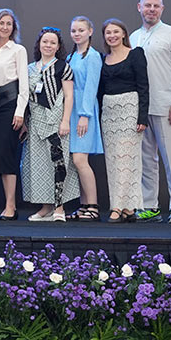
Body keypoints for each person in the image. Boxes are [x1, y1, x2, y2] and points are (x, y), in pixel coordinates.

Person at [131, 0, 171, 224]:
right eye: (148, 5)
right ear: (139, 7)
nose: (151, 9)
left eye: (156, 6)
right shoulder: (133, 37)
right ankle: (150, 206)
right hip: (141, 108)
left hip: (166, 106)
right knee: (146, 160)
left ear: (162, 9)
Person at [21, 27, 78, 222]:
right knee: (39, 166)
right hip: (35, 123)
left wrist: (65, 121)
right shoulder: (29, 68)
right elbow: (25, 97)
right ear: (39, 44)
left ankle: (59, 207)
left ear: (58, 46)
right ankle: (46, 208)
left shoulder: (63, 67)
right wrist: (25, 122)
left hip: (55, 122)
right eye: (45, 41)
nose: (48, 45)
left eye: (53, 42)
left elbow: (69, 96)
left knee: (58, 163)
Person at [98, 18, 149, 223]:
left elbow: (144, 86)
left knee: (126, 159)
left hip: (130, 109)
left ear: (124, 34)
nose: (112, 36)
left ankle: (117, 207)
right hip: (108, 113)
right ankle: (128, 208)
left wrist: (142, 116)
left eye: (116, 32)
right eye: (108, 32)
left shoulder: (136, 54)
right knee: (113, 161)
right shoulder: (103, 59)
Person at [0, 9, 28, 221]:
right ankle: (8, 205)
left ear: (13, 28)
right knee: (1, 156)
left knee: (7, 155)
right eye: (1, 23)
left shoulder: (18, 50)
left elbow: (24, 85)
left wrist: (20, 112)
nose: (5, 27)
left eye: (9, 23)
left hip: (11, 106)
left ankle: (11, 207)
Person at [65, 16, 103, 222]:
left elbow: (91, 87)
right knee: (75, 161)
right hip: (70, 111)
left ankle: (93, 207)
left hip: (83, 111)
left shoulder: (93, 57)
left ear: (90, 31)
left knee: (80, 160)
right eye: (74, 31)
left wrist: (85, 115)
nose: (77, 34)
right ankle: (83, 206)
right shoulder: (71, 56)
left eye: (81, 30)